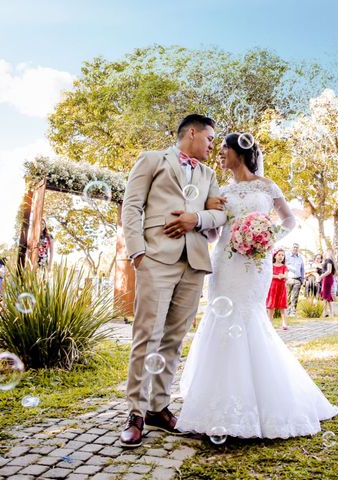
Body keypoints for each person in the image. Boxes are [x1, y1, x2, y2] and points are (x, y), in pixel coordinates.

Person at [177, 132, 338, 439]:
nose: (220, 153)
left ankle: (264, 405)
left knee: (250, 317)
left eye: (225, 148)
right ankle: (214, 408)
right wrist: (203, 228)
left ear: (240, 152)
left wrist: (264, 238)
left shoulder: (267, 186)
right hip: (225, 262)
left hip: (255, 263)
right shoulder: (220, 190)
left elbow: (289, 220)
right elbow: (214, 233)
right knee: (221, 319)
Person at [120, 114, 227, 448]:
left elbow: (221, 214)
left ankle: (158, 407)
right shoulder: (152, 160)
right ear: (191, 133)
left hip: (194, 262)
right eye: (209, 138)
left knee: (174, 339)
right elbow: (132, 205)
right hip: (155, 257)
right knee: (146, 336)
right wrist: (138, 252)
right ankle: (135, 413)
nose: (212, 145)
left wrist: (197, 218)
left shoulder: (209, 175)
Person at [266, 249, 289, 330]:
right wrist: (277, 276)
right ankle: (269, 323)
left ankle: (284, 324)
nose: (281, 257)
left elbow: (286, 276)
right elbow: (269, 275)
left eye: (282, 255)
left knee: (282, 306)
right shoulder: (271, 266)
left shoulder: (284, 267)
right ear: (275, 256)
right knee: (271, 307)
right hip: (272, 287)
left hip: (281, 288)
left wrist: (282, 276)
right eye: (279, 255)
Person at [285, 243, 304, 316]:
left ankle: (293, 311)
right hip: (288, 279)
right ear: (291, 248)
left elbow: (302, 269)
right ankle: (287, 311)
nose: (295, 249)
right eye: (294, 247)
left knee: (295, 296)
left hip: (297, 279)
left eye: (297, 247)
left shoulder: (300, 258)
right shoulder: (287, 257)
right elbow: (284, 266)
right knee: (288, 295)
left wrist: (302, 278)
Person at [319, 248, 336, 317]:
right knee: (326, 295)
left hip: (327, 278)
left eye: (326, 252)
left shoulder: (329, 260)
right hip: (326, 278)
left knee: (326, 295)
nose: (325, 253)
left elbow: (329, 271)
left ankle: (329, 311)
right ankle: (327, 311)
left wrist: (321, 276)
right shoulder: (327, 260)